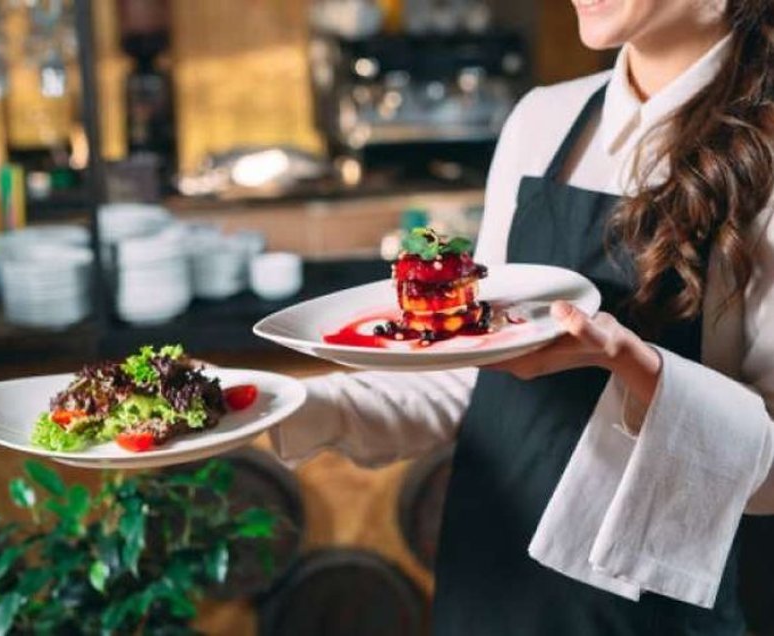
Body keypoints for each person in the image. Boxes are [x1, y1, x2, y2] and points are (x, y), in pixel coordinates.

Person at [271, 0, 774, 634]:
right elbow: (468, 375)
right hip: (493, 576)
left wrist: (629, 361)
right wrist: (281, 406)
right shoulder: (543, 121)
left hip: (658, 603)